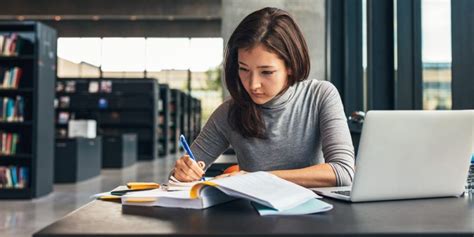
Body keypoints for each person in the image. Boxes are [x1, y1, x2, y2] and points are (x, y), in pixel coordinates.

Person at [172, 7, 354, 188]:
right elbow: (175, 181)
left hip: (316, 213)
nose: (253, 85)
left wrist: (256, 178)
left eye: (266, 72)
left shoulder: (320, 96)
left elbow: (343, 172)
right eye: (243, 69)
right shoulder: (229, 112)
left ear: (290, 65)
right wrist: (182, 173)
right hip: (253, 215)